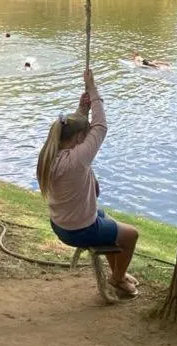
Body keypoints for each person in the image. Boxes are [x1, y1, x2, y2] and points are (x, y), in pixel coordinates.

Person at [37, 69, 140, 298]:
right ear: (78, 140)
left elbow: (74, 126)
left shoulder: (50, 152)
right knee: (131, 235)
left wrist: (83, 108)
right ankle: (117, 279)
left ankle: (119, 271)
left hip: (61, 223)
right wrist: (93, 88)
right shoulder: (77, 159)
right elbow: (101, 126)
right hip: (79, 230)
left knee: (108, 220)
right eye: (83, 136)